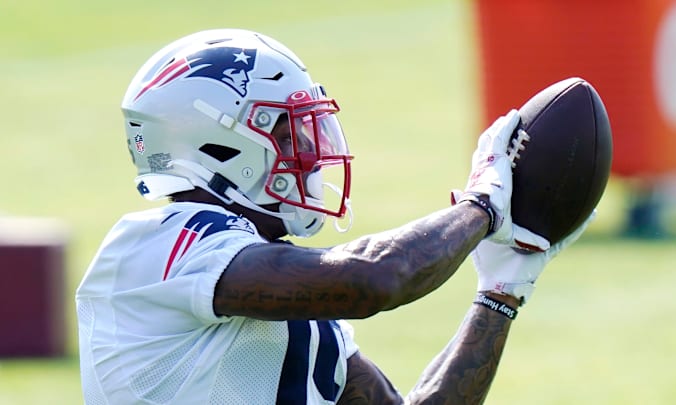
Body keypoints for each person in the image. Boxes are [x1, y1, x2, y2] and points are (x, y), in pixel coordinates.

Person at [76, 29, 593, 404]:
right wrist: (482, 205)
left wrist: (500, 294)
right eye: (285, 130)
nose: (309, 148)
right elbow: (372, 278)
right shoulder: (151, 250)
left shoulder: (287, 290)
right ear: (218, 143)